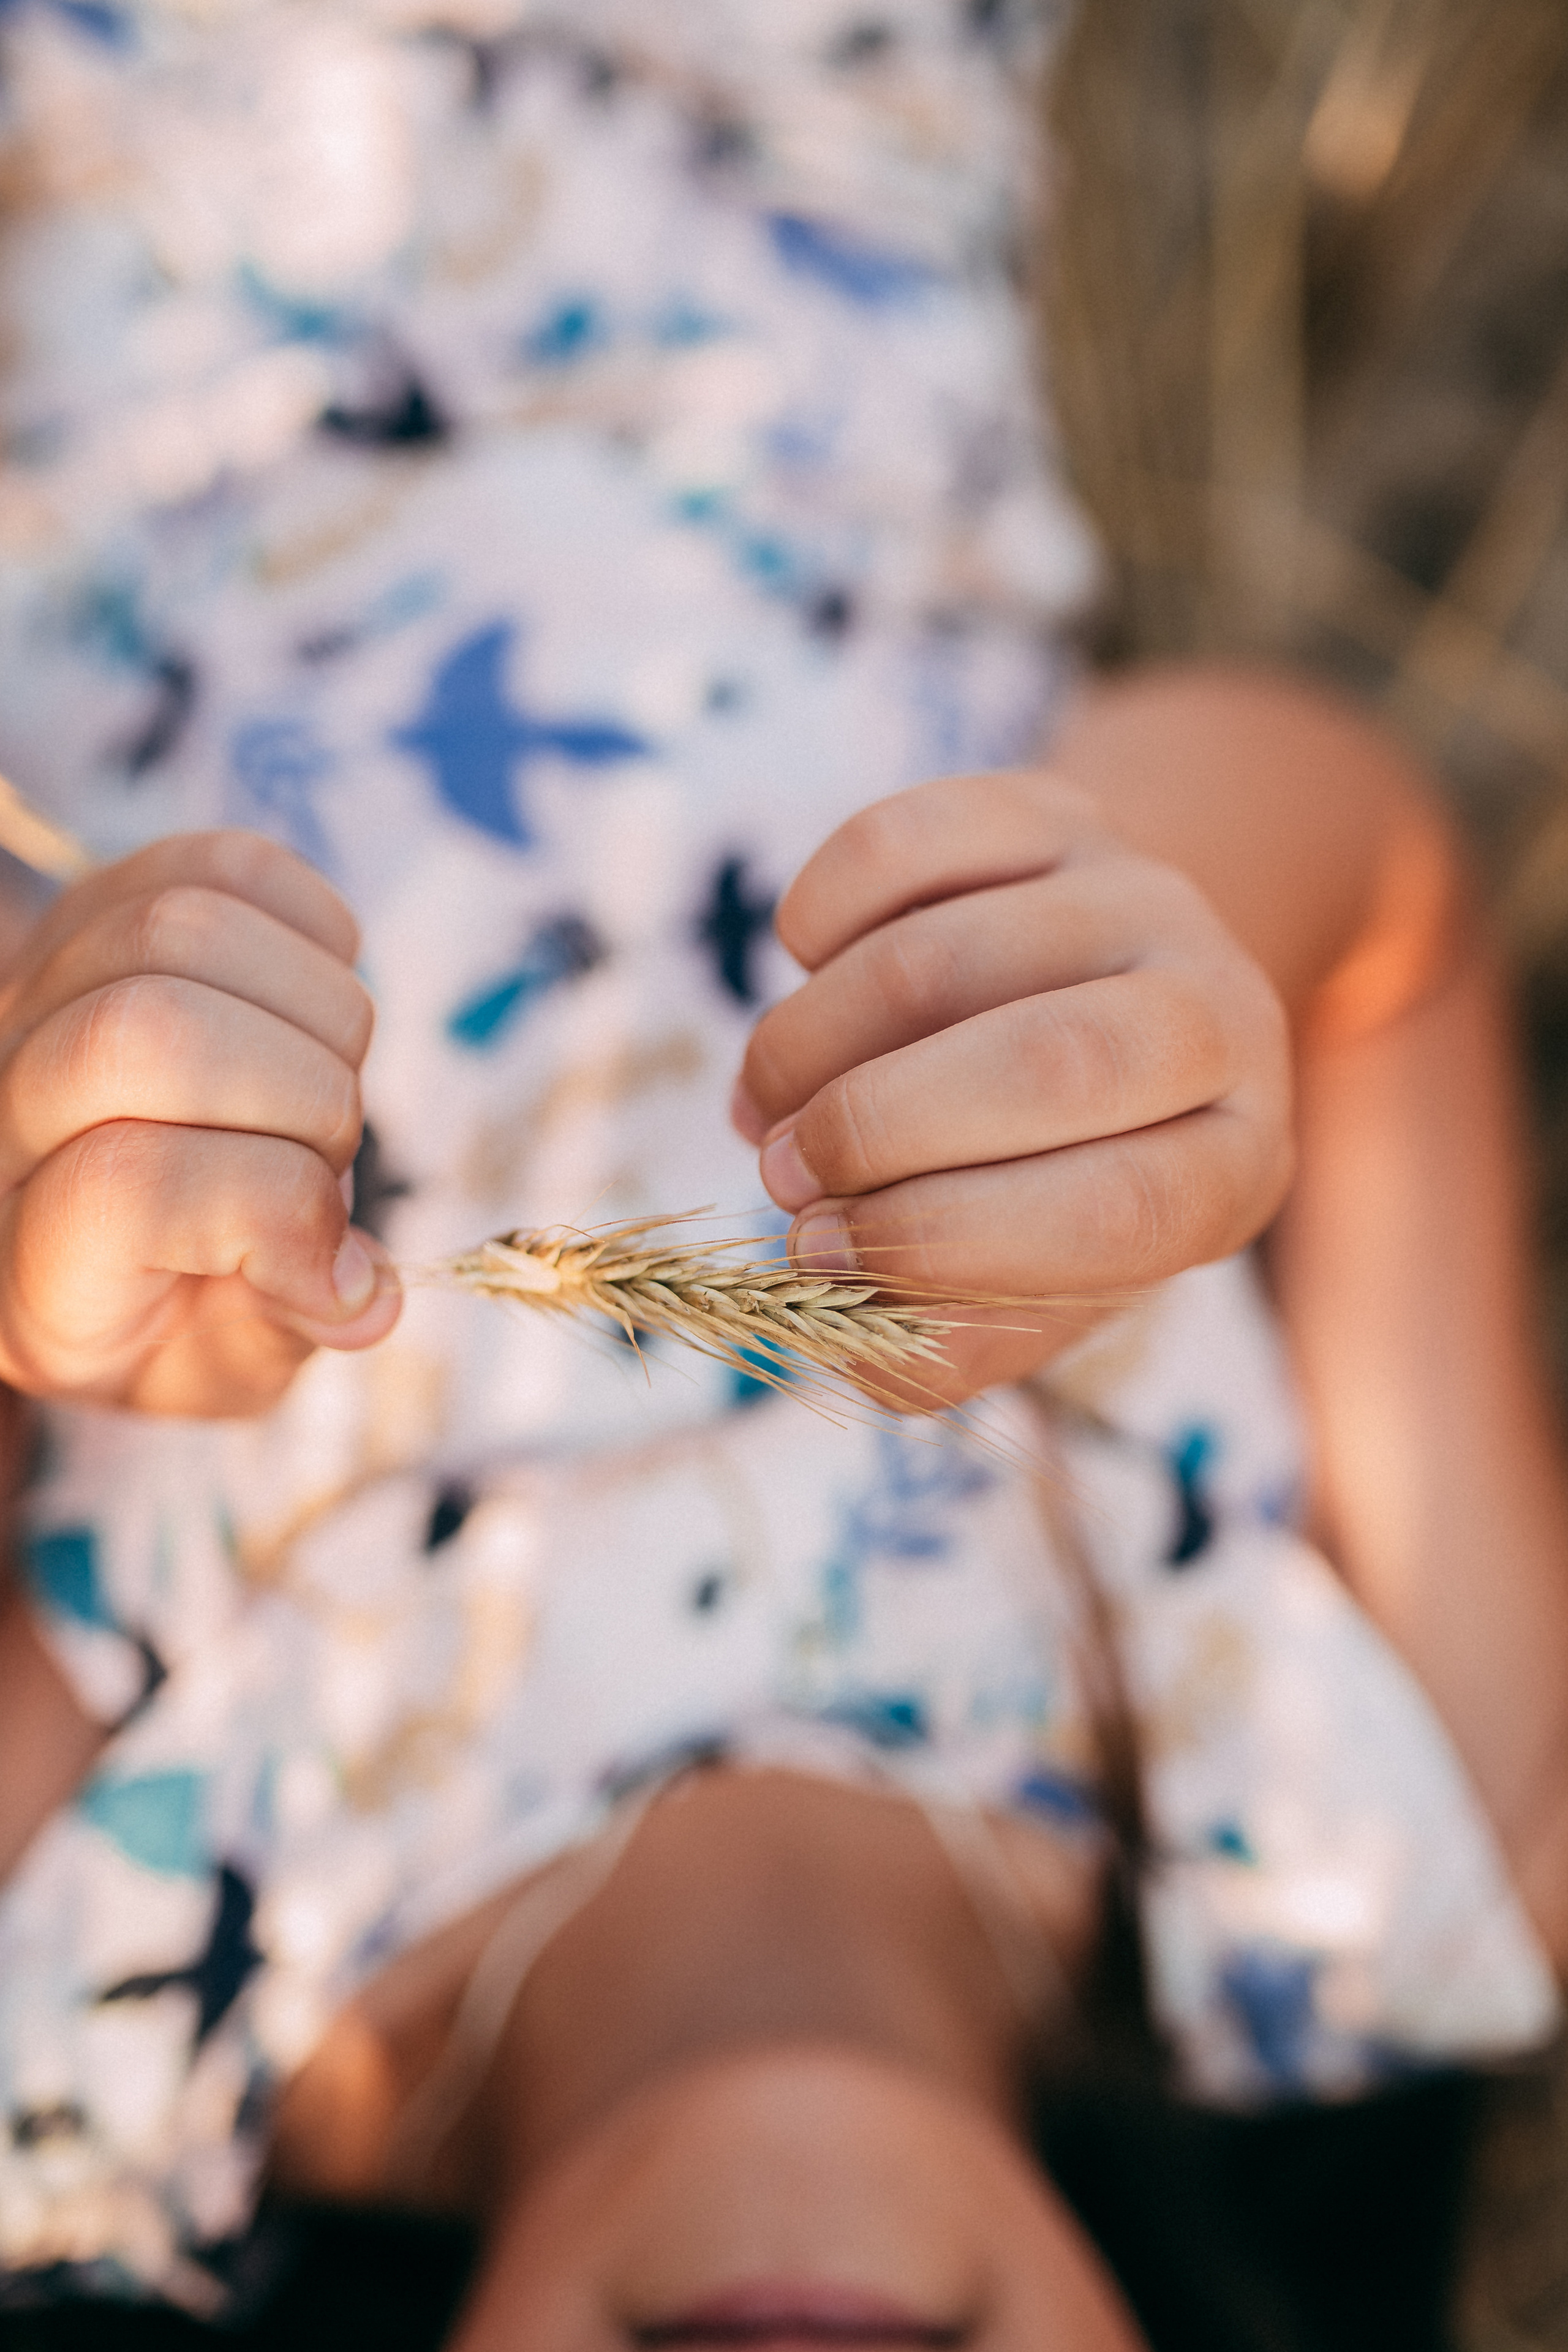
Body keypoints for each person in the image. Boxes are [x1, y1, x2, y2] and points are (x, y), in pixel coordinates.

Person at [0, 1, 1564, 2340]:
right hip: (824, 135)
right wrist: (1134, 962)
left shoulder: (92, 2015)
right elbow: (1394, 920)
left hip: (128, 200)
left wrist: (45, 1144)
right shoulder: (1383, 1865)